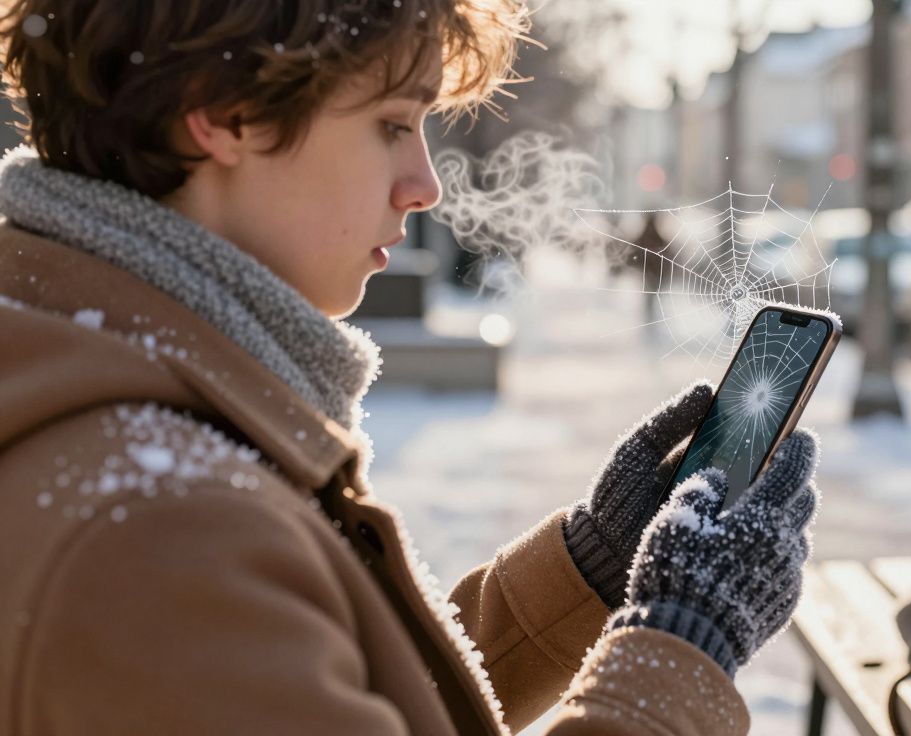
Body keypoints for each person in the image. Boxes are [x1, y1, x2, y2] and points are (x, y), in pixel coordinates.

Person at [0, 1, 822, 734]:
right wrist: (681, 649)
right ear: (221, 112)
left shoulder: (124, 420)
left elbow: (343, 694)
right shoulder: (159, 530)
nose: (425, 185)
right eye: (394, 124)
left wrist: (590, 570)